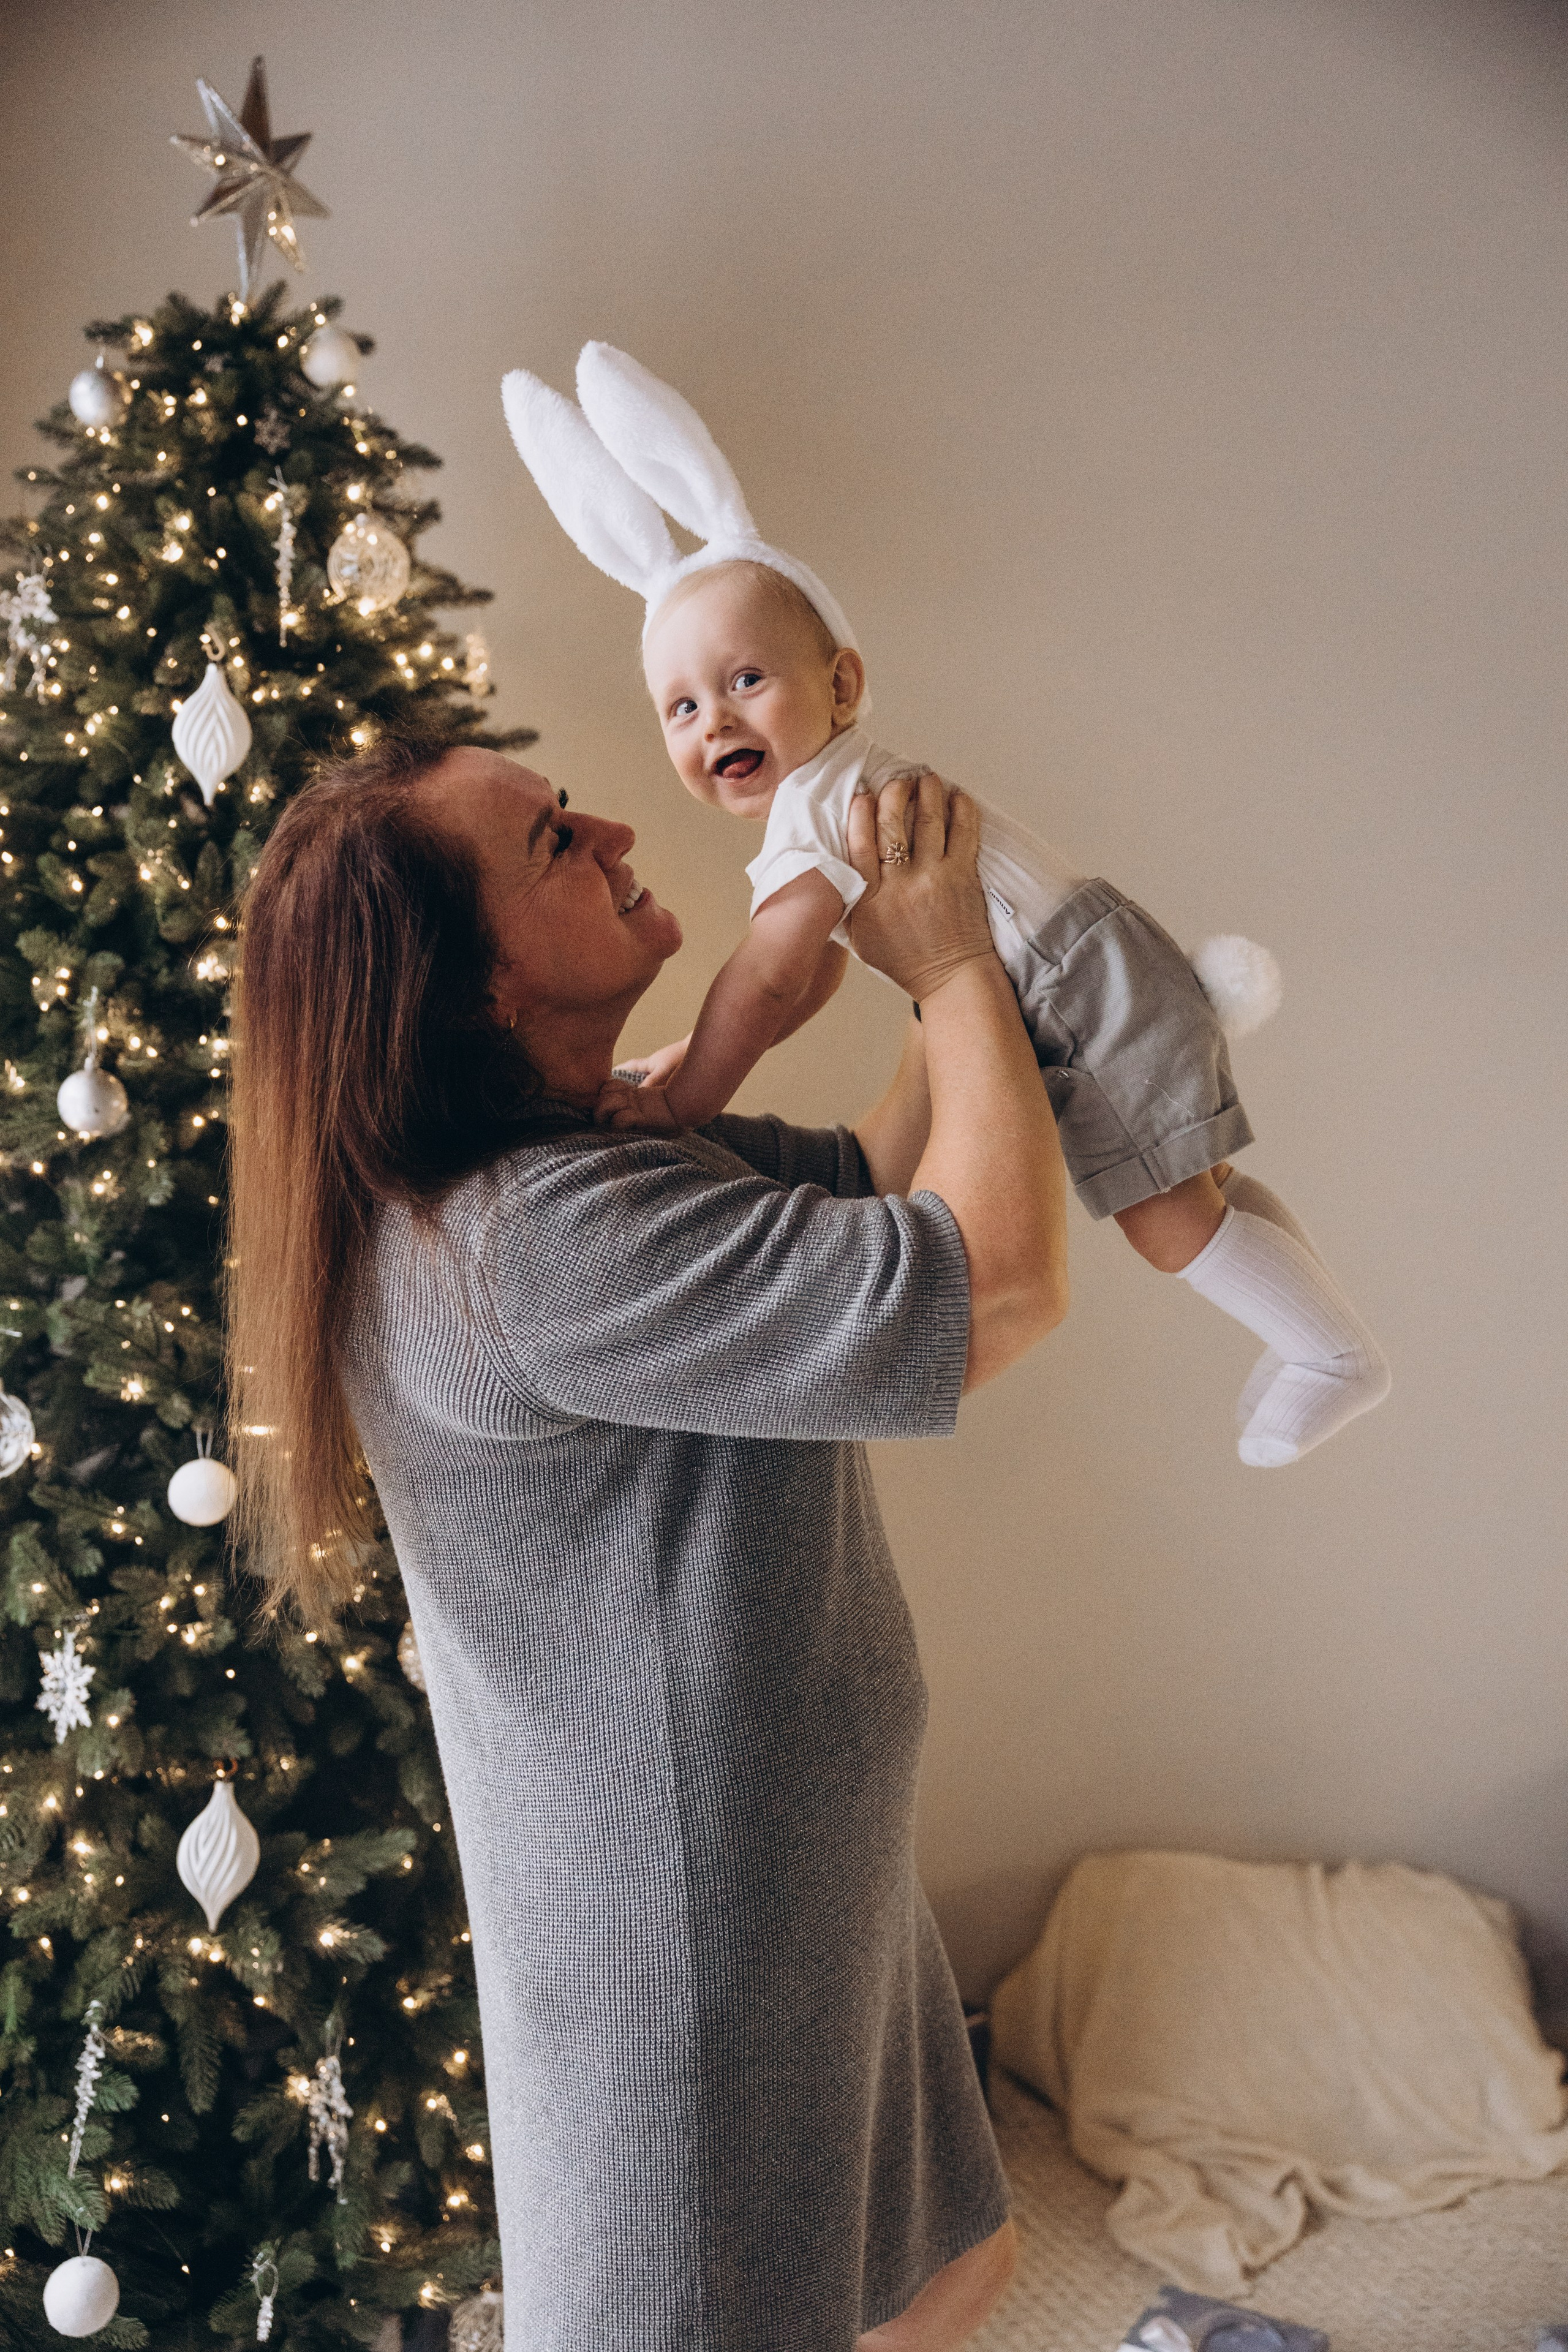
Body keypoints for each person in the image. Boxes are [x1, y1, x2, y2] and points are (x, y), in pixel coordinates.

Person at [227, 736, 1069, 2352]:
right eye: (552, 839)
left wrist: (953, 953)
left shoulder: (593, 1154)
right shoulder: (532, 1246)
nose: (612, 823)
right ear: (471, 988)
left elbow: (887, 1193)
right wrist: (953, 964)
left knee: (949, 2271)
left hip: (798, 1888)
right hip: (693, 1951)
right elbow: (997, 1286)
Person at [502, 342, 1390, 1472]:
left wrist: (687, 1098)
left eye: (744, 680)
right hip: (1099, 964)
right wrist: (693, 1059)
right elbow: (815, 975)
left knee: (1169, 1223)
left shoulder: (818, 812)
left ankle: (1330, 1352)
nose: (712, 721)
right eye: (679, 707)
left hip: (1077, 993)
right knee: (1200, 1191)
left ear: (842, 684)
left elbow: (770, 977)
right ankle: (1323, 1335)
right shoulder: (830, 798)